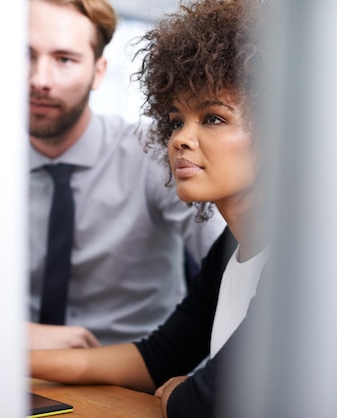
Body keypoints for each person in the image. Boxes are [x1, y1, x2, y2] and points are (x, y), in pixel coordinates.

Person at [30, 0, 271, 416]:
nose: (179, 139)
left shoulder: (304, 256)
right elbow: (157, 358)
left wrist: (183, 392)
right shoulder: (231, 245)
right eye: (177, 120)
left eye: (212, 118)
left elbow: (208, 400)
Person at [27, 0, 226, 349]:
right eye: (24, 55)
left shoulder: (153, 150)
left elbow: (231, 266)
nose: (39, 80)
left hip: (136, 379)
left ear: (98, 72)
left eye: (64, 60)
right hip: (14, 371)